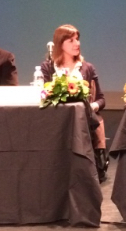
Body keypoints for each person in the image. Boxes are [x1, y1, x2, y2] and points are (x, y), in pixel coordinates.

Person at [40, 24, 108, 180]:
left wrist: (91, 107)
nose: (77, 43)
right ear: (60, 44)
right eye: (71, 40)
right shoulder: (48, 68)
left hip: (82, 121)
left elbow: (101, 99)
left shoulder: (87, 68)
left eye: (77, 39)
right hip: (56, 121)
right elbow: (43, 94)